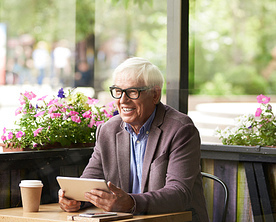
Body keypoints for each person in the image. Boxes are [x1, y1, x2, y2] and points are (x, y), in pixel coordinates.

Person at [58, 57, 208, 221]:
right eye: (118, 91)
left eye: (132, 92)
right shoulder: (108, 130)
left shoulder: (180, 129)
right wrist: (75, 199)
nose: (123, 100)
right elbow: (90, 182)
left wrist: (130, 203)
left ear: (155, 95)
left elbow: (179, 193)